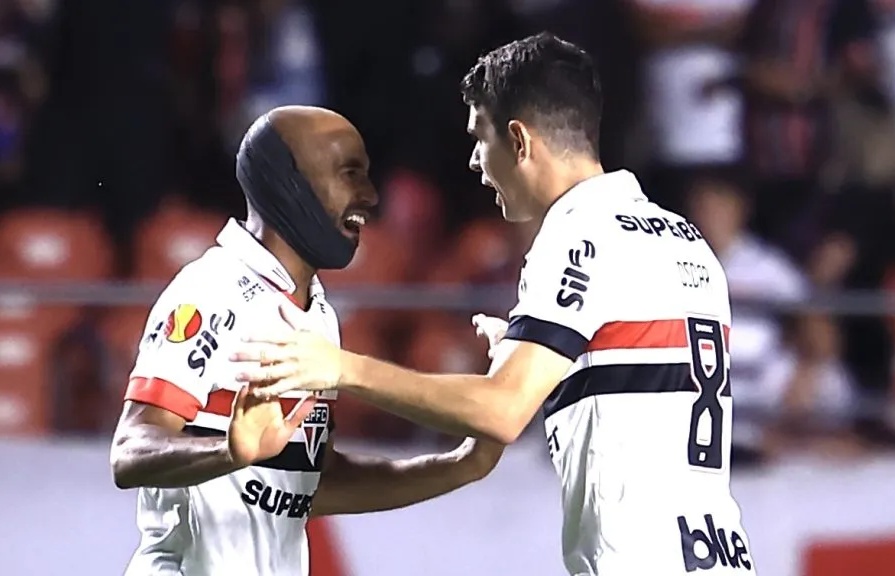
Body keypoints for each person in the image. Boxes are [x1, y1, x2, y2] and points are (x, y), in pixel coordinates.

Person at [233, 34, 756, 576]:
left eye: (479, 138)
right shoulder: (684, 239)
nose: (475, 163)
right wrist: (542, 354)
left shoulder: (578, 234)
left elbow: (502, 410)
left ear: (519, 140)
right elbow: (640, 376)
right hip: (719, 558)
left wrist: (342, 368)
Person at [109, 106, 505, 576]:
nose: (370, 195)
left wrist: (462, 464)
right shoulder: (210, 290)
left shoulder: (318, 314)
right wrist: (230, 453)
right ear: (287, 183)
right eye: (349, 173)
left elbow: (313, 486)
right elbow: (130, 450)